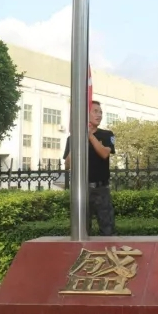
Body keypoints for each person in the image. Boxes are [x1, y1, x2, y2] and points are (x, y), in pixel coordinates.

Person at [63, 100, 116, 236]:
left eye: (101, 112)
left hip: (101, 189)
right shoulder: (73, 138)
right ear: (85, 114)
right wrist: (78, 139)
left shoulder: (107, 135)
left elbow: (104, 153)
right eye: (95, 111)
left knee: (108, 230)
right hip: (81, 190)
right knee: (82, 231)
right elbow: (68, 165)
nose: (99, 115)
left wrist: (90, 135)